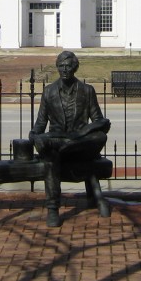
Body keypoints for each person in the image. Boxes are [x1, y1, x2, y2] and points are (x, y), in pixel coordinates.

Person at [30, 51, 110, 227]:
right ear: (57, 67)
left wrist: (88, 131)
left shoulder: (87, 91)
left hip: (80, 146)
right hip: (57, 148)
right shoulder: (49, 92)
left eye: (68, 66)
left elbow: (98, 119)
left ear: (75, 67)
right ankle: (53, 209)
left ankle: (66, 144)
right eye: (61, 66)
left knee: (100, 136)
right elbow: (40, 124)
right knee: (50, 157)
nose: (64, 70)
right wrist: (34, 136)